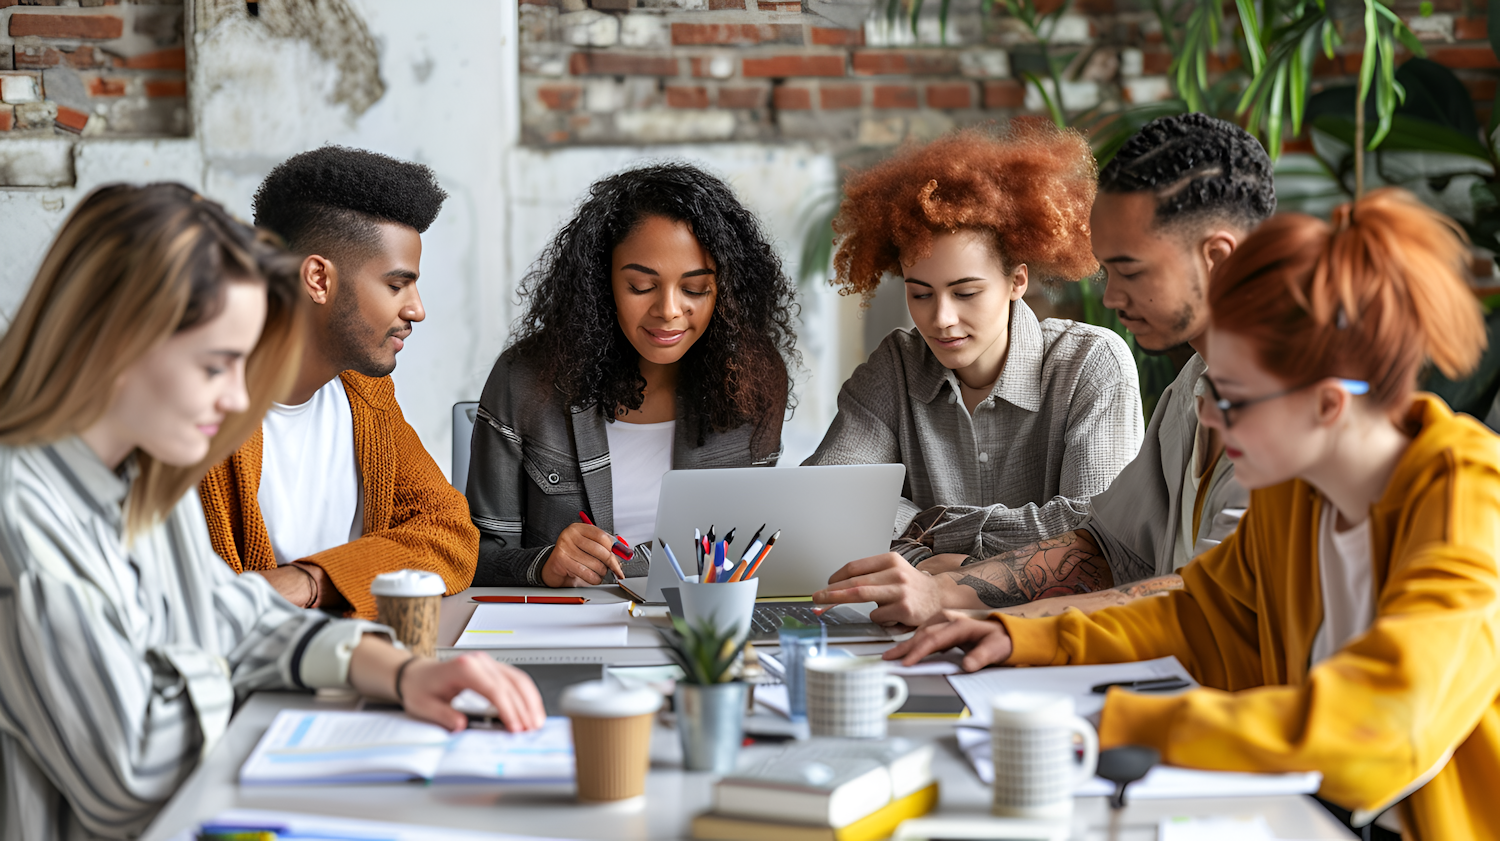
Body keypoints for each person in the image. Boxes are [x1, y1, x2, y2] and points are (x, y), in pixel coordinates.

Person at [890, 188, 1499, 840]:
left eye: (1233, 399)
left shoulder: (1467, 496)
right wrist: (1023, 636)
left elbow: (1388, 723)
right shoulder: (1296, 493)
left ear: (1328, 404)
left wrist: (1128, 726)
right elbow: (1201, 614)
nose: (1209, 418)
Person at [0, 184, 544, 841]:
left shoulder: (140, 478)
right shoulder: (23, 519)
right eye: (216, 365)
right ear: (121, 346)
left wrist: (400, 671)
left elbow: (241, 614)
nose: (238, 398)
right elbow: (133, 773)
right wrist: (215, 653)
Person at [813, 113, 1273, 626]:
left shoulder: (1291, 406)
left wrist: (1004, 627)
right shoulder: (1188, 394)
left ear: (1217, 258)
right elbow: (1107, 546)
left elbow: (1205, 598)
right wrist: (941, 590)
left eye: (1131, 270)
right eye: (921, 293)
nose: (1112, 296)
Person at [802, 123, 1142, 572]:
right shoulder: (895, 368)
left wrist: (929, 539)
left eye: (965, 293)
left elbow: (1095, 530)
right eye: (920, 293)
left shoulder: (1090, 365)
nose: (940, 319)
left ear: (1017, 280)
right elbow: (825, 500)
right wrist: (932, 566)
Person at [468, 163, 798, 588]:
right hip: (569, 626)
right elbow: (473, 556)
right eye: (641, 286)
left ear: (727, 290)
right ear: (601, 284)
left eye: (695, 289)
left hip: (699, 623)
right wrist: (543, 564)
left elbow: (752, 550)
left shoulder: (753, 380)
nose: (669, 310)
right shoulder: (525, 380)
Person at [198, 147, 478, 620]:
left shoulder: (366, 396)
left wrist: (311, 581)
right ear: (318, 279)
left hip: (344, 664)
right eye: (396, 285)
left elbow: (451, 533)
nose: (416, 309)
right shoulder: (201, 408)